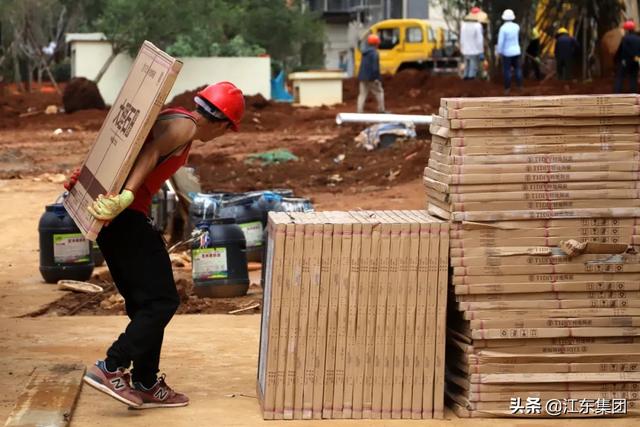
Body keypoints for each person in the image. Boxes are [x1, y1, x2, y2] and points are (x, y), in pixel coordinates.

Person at [67, 82, 245, 409]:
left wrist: (86, 180)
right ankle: (111, 367)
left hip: (114, 219)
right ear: (221, 123)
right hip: (125, 218)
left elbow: (121, 145)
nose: (223, 135)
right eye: (227, 130)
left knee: (144, 303)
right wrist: (127, 196)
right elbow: (150, 152)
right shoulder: (185, 126)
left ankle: (145, 381)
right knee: (162, 301)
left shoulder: (174, 117)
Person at [357, 33, 385, 113]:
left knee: (362, 94)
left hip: (362, 77)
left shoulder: (364, 52)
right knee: (379, 92)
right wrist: (376, 78)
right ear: (376, 43)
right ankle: (381, 110)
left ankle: (359, 112)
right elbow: (375, 67)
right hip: (371, 77)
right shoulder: (374, 53)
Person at [496, 9, 522, 93]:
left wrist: (499, 51)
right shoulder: (516, 26)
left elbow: (500, 42)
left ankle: (507, 88)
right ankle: (519, 86)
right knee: (517, 69)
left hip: (507, 52)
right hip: (516, 51)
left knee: (507, 70)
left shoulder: (503, 28)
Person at [614, 20, 640, 93]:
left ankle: (617, 93)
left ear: (627, 30)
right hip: (636, 61)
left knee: (620, 77)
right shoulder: (638, 39)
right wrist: (637, 58)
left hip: (626, 62)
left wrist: (616, 59)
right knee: (633, 78)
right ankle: (633, 94)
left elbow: (622, 50)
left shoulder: (625, 38)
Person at [460, 7, 484, 80]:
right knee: (473, 68)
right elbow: (480, 40)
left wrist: (462, 48)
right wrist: (481, 51)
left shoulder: (463, 25)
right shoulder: (477, 25)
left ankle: (465, 79)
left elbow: (462, 38)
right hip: (474, 50)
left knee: (466, 66)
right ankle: (471, 82)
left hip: (465, 50)